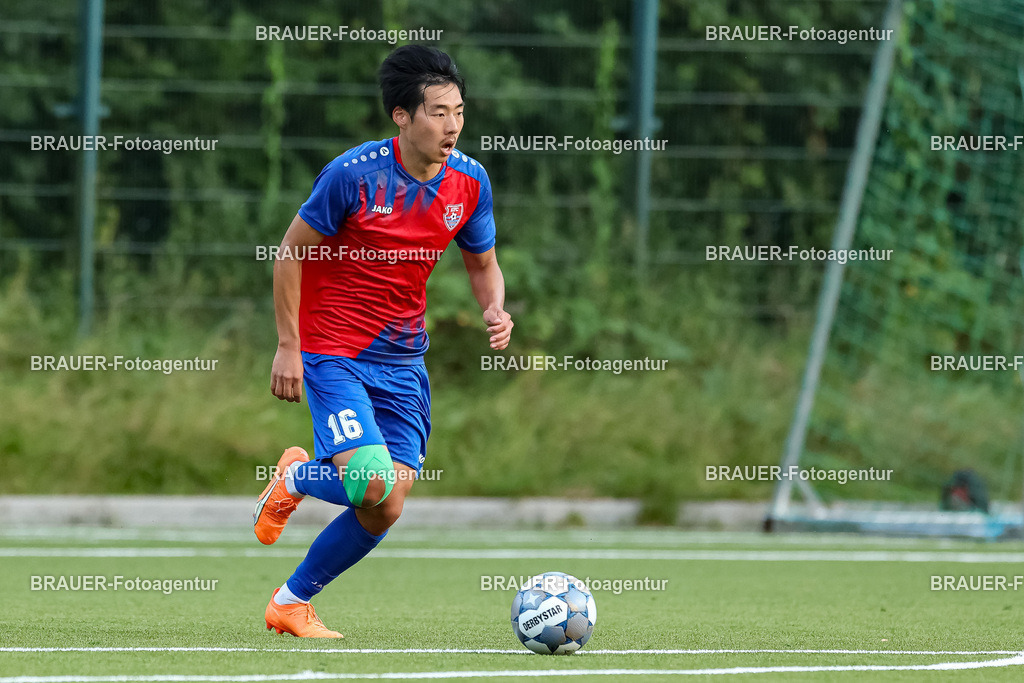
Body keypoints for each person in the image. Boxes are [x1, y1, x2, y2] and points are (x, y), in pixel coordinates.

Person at [253, 44, 513, 638]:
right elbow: (291, 253)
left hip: (401, 358)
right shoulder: (352, 176)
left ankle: (291, 602)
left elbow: (482, 264)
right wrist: (288, 346)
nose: (453, 126)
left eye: (459, 111)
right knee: (370, 480)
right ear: (402, 116)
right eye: (438, 112)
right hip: (332, 348)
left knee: (387, 503)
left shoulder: (469, 183)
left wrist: (494, 306)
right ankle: (295, 478)